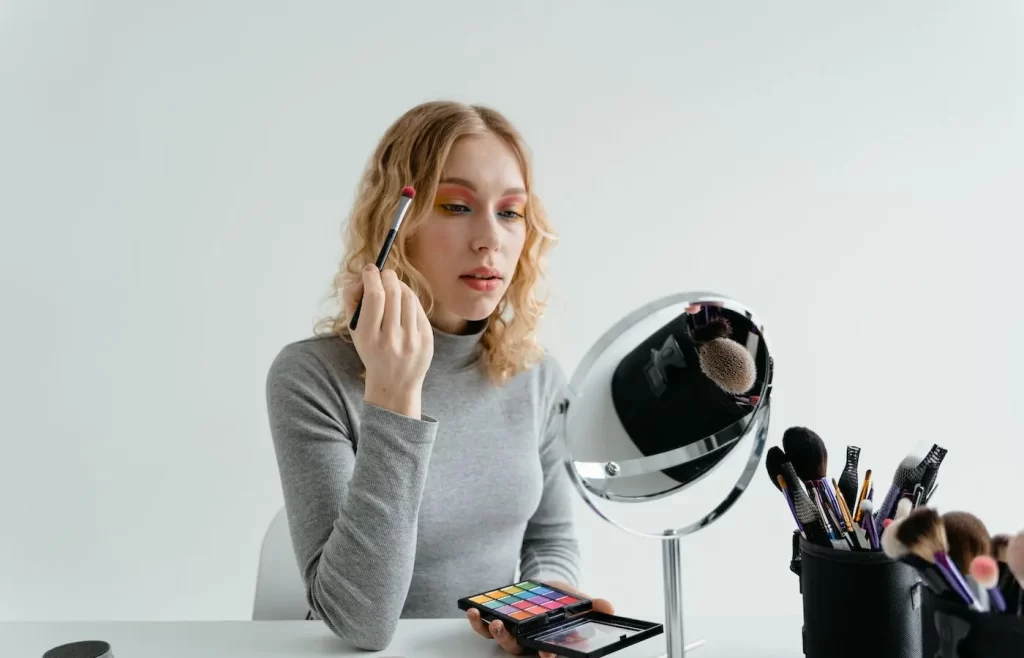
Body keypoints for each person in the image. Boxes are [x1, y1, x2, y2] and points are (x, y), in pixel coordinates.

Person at [265, 100, 613, 655]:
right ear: (395, 228)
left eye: (510, 212)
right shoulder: (311, 377)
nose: (489, 239)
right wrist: (394, 394)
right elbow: (361, 623)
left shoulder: (538, 376)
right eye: (455, 206)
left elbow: (549, 536)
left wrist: (548, 606)